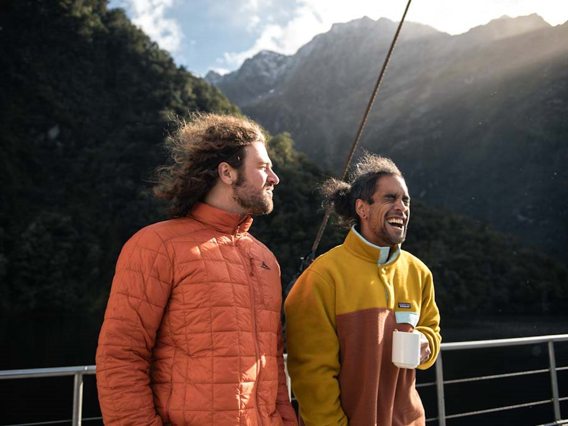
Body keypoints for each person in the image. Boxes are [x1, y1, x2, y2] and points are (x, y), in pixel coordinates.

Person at [96, 113, 297, 425]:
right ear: (227, 173)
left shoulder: (265, 258)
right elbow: (121, 357)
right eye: (263, 167)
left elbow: (272, 361)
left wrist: (286, 420)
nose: (274, 178)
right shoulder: (156, 245)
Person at [284, 154, 441, 426]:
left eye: (405, 200)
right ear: (362, 208)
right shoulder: (322, 276)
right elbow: (312, 375)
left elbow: (432, 330)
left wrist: (427, 344)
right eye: (389, 198)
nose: (401, 207)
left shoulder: (419, 272)